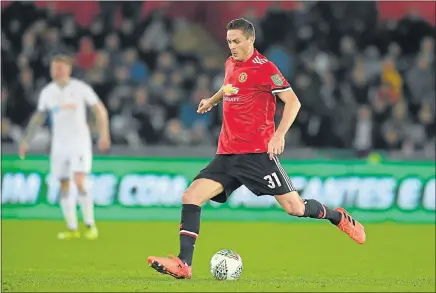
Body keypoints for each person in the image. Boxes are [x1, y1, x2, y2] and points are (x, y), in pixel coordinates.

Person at [148, 18, 366, 279]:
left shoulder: (265, 68)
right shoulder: (231, 63)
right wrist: (213, 100)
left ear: (251, 39)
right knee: (190, 196)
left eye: (237, 41)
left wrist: (278, 135)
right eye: (229, 41)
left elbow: (293, 102)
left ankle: (336, 217)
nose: (232, 46)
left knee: (295, 208)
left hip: (257, 156)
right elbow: (230, 87)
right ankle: (184, 264)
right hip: (227, 154)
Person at [19, 54, 111, 240]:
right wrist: (26, 140)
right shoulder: (48, 92)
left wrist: (104, 134)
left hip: (79, 143)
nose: (57, 71)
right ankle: (71, 227)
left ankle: (90, 225)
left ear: (68, 69)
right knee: (63, 184)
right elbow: (38, 118)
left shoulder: (80, 88)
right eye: (55, 67)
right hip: (59, 145)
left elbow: (99, 110)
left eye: (61, 67)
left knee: (79, 181)